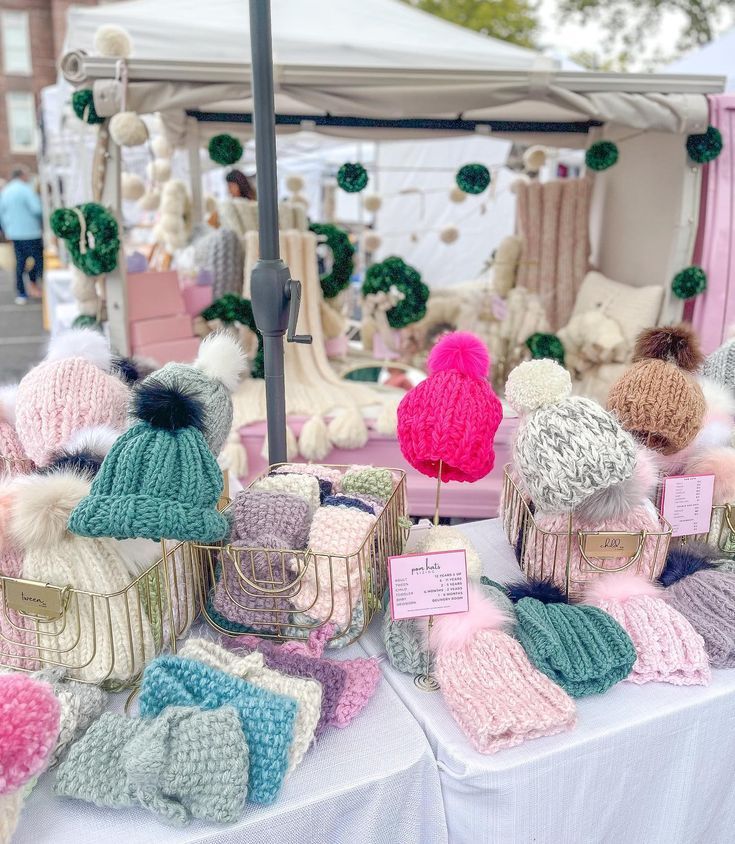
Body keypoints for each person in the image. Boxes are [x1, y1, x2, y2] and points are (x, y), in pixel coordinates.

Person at [0, 167, 43, 304]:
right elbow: (37, 209)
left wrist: (6, 229)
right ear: (22, 176)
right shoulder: (26, 190)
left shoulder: (5, 191)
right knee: (38, 261)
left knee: (20, 263)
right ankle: (33, 284)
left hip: (14, 233)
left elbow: (1, 213)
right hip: (31, 232)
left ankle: (21, 292)